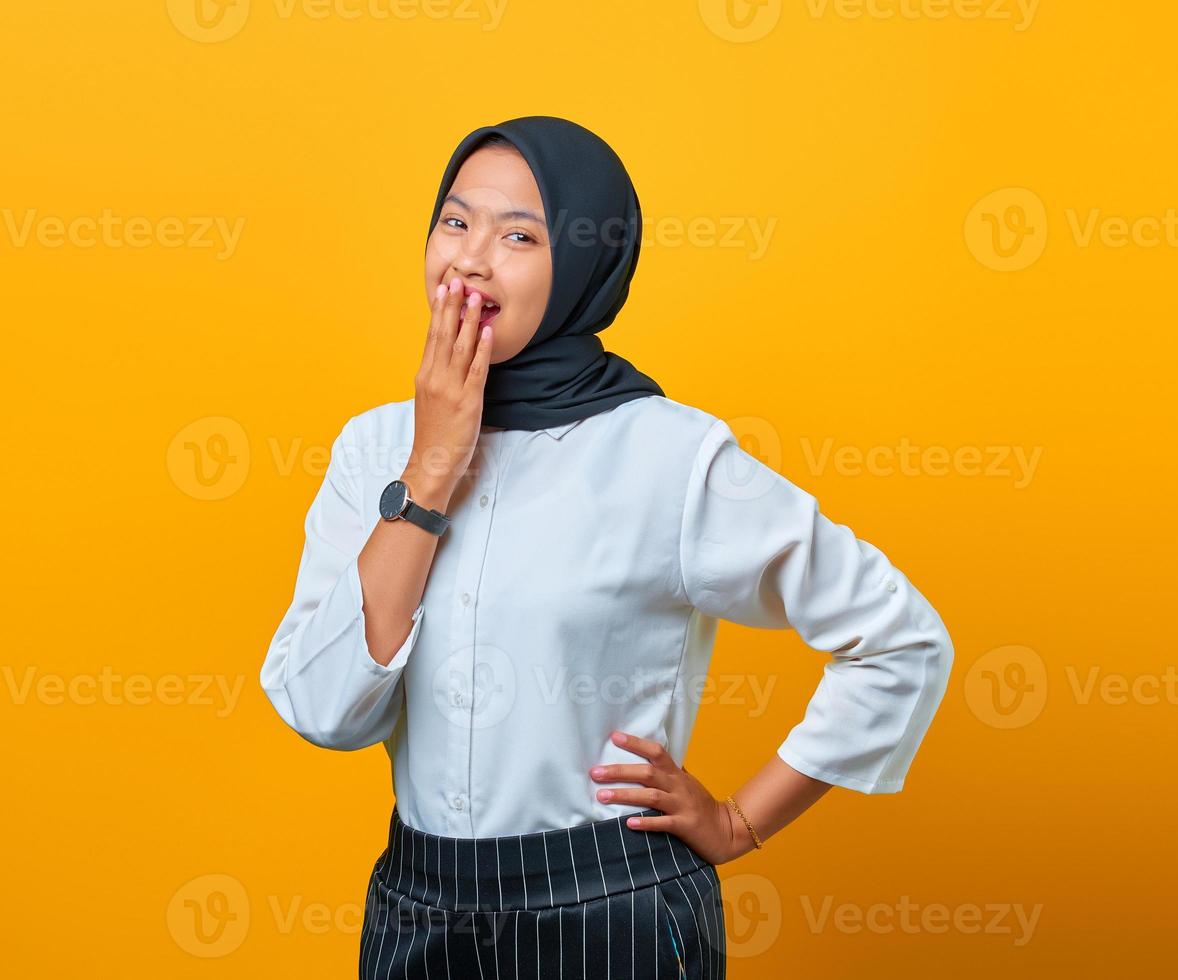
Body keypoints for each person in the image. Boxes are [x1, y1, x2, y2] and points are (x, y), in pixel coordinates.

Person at [259, 115, 955, 978]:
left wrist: (739, 822)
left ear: (586, 266)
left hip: (611, 908)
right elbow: (323, 711)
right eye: (454, 221)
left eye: (518, 234)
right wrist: (430, 469)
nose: (470, 260)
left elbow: (899, 640)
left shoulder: (668, 457)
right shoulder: (373, 450)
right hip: (417, 911)